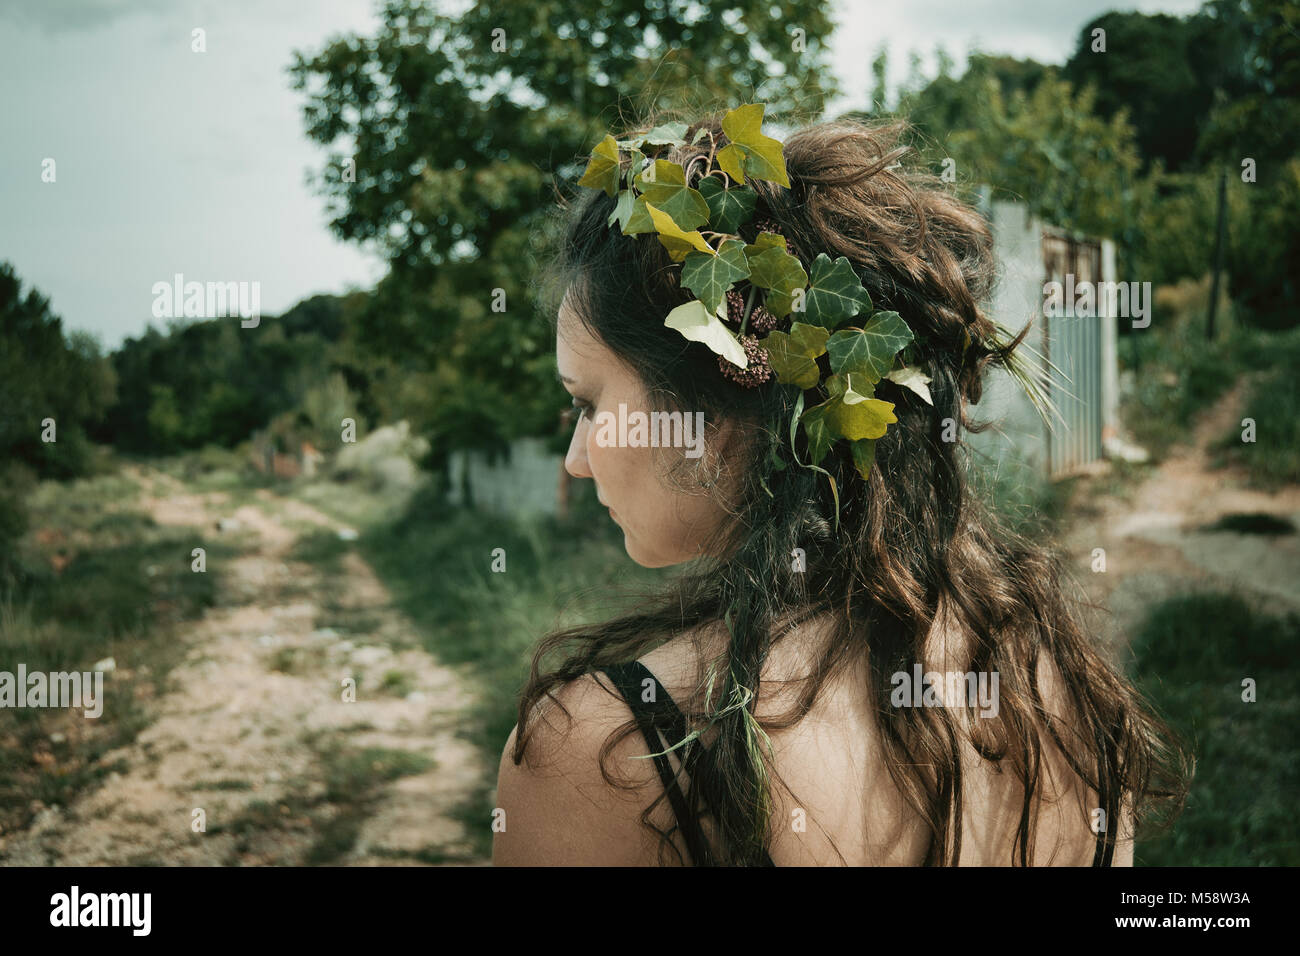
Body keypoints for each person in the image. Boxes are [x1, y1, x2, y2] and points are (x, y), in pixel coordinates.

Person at [492, 108, 1189, 866]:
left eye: (589, 405)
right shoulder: (1057, 687)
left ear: (715, 416)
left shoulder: (610, 753)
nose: (576, 458)